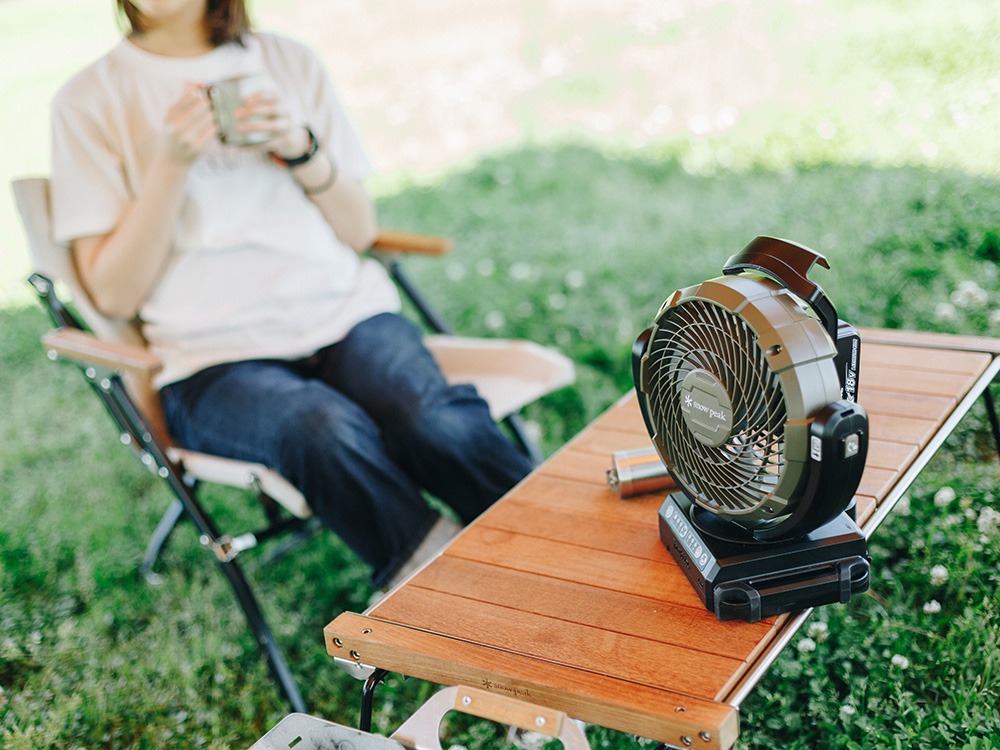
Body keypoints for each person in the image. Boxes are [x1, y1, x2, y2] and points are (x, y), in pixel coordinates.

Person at [49, 0, 533, 589]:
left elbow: (358, 230)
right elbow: (113, 295)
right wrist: (170, 164)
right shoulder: (88, 101)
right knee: (319, 426)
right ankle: (454, 589)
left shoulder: (288, 62)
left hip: (345, 314)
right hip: (210, 358)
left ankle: (554, 544)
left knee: (432, 420)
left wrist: (300, 147)